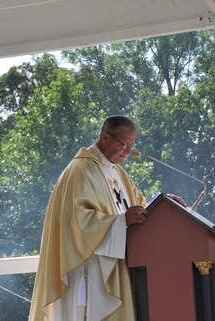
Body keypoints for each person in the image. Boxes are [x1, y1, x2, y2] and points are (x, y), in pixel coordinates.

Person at [29, 115, 150, 321]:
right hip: (87, 267)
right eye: (124, 144)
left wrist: (163, 202)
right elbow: (78, 223)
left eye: (131, 146)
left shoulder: (118, 173)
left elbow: (140, 207)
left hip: (114, 263)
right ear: (105, 138)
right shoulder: (80, 170)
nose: (128, 152)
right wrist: (121, 221)